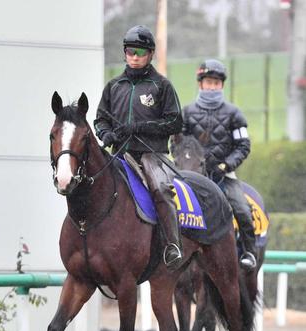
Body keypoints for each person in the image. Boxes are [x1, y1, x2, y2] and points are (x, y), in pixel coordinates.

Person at [94, 25, 183, 270]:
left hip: (151, 155)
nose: (134, 57)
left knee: (160, 189)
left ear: (150, 54)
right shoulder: (113, 86)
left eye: (140, 52)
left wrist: (140, 127)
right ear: (125, 53)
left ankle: (172, 245)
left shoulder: (161, 86)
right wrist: (106, 133)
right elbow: (100, 119)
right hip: (119, 154)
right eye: (130, 51)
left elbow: (175, 121)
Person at [183, 59, 257, 270]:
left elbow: (243, 145)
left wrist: (226, 165)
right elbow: (178, 143)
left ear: (222, 85)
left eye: (216, 82)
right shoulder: (187, 113)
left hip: (224, 175)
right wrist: (192, 164)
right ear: (200, 84)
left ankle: (249, 253)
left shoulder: (234, 114)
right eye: (208, 82)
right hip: (193, 176)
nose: (212, 86)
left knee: (242, 211)